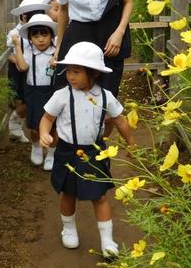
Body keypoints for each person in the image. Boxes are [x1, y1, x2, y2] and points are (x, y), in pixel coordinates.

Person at [39, 42, 134, 256]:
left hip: (93, 151)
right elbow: (47, 118)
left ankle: (108, 241)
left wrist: (132, 144)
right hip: (67, 151)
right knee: (68, 193)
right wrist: (45, 132)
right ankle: (69, 228)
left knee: (99, 195)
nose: (70, 76)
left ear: (93, 74)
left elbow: (120, 120)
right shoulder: (62, 95)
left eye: (76, 72)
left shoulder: (105, 97)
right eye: (69, 71)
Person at [10, 14, 57, 169]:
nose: (41, 39)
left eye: (44, 34)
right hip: (34, 92)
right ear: (30, 39)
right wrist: (17, 46)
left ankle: (51, 153)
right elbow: (23, 67)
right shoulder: (29, 52)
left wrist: (56, 59)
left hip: (53, 92)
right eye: (35, 36)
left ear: (51, 35)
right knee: (35, 125)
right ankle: (36, 147)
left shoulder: (56, 52)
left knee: (54, 126)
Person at [6, 0, 52, 143]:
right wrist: (22, 61)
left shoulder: (41, 30)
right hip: (22, 71)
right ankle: (15, 123)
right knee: (25, 100)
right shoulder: (16, 33)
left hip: (40, 71)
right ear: (24, 16)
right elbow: (9, 53)